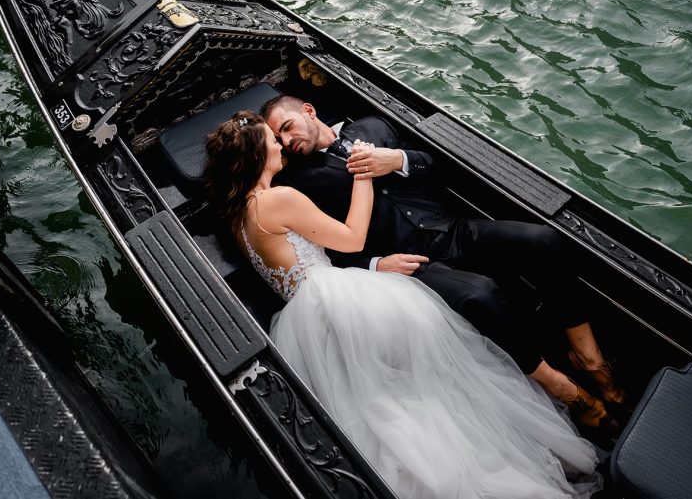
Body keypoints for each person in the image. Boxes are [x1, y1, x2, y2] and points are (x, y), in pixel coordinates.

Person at [204, 111, 603, 499]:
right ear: (258, 154)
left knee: (401, 399)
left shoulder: (240, 216)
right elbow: (352, 239)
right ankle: (541, 408)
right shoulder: (281, 196)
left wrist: (393, 161)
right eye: (274, 142)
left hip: (308, 315)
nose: (282, 147)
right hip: (341, 296)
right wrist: (362, 172)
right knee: (441, 362)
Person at [262, 95, 626, 430]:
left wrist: (399, 160)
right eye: (278, 136)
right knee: (480, 294)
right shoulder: (299, 182)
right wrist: (375, 265)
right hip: (411, 262)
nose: (286, 138)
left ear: (309, 110)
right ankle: (559, 385)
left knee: (544, 241)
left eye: (287, 126)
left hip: (453, 230)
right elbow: (324, 246)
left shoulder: (373, 126)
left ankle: (589, 359)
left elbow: (440, 166)